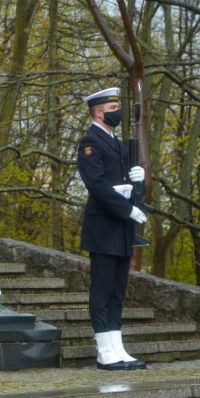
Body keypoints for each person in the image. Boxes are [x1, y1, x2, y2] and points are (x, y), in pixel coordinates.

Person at [76, 87, 148, 371]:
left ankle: (117, 347)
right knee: (102, 290)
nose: (118, 112)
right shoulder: (90, 142)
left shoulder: (116, 143)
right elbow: (97, 185)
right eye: (113, 107)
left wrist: (138, 180)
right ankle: (104, 351)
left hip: (120, 228)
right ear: (98, 112)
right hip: (104, 225)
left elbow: (124, 184)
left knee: (117, 292)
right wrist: (127, 209)